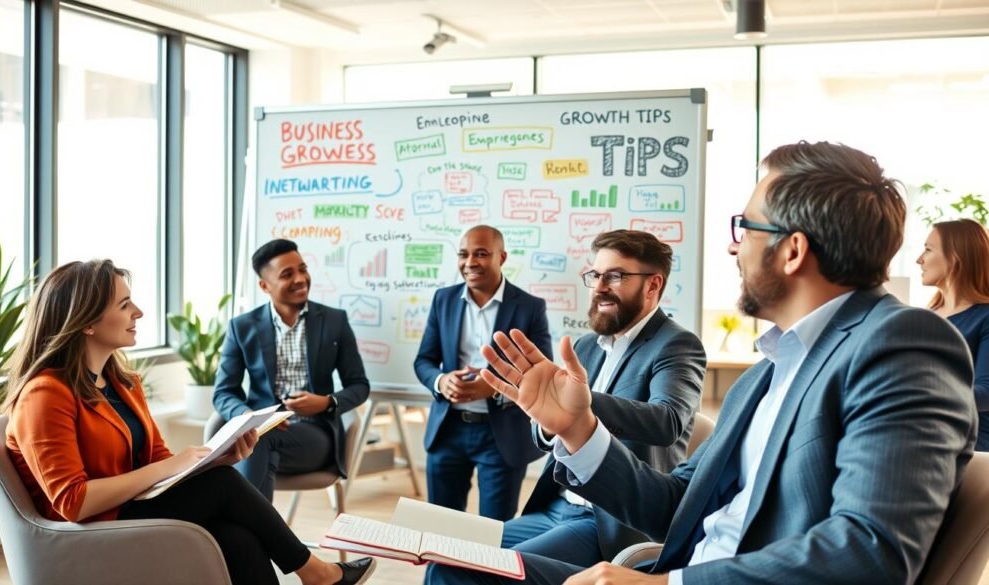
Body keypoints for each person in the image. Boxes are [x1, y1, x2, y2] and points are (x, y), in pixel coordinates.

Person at [428, 141, 977, 585]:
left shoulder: (902, 342)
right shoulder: (765, 376)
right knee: (457, 570)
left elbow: (869, 549)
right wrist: (579, 428)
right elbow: (674, 507)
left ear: (792, 250)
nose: (734, 250)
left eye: (746, 228)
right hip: (667, 563)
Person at [4, 259, 374, 585]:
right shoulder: (45, 394)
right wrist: (174, 466)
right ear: (86, 322)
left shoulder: (123, 383)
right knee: (225, 486)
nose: (139, 312)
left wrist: (212, 460)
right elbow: (73, 502)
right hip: (90, 527)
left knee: (237, 537)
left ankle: (318, 576)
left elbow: (157, 461)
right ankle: (317, 573)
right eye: (124, 304)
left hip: (132, 506)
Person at [501, 229, 705, 567]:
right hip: (556, 506)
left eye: (615, 276)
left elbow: (667, 421)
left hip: (606, 520)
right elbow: (548, 433)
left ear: (652, 285)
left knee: (494, 570)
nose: (599, 287)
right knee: (453, 556)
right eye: (595, 275)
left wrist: (581, 405)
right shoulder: (584, 346)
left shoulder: (677, 344)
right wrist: (550, 422)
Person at [414, 224, 553, 521]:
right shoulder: (443, 300)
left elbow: (541, 372)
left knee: (493, 531)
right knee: (439, 526)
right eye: (463, 254)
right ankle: (438, 571)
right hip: (447, 429)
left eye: (481, 254)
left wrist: (493, 386)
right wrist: (442, 381)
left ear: (501, 257)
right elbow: (423, 361)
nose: (470, 262)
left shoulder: (529, 307)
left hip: (500, 434)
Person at [214, 239, 370, 501]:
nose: (300, 279)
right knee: (262, 445)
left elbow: (359, 385)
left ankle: (248, 534)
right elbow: (224, 393)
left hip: (315, 435)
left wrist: (326, 403)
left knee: (257, 445)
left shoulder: (334, 321)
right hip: (261, 435)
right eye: (287, 274)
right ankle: (266, 538)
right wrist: (249, 416)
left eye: (303, 269)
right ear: (265, 286)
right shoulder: (241, 327)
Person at [917, 218, 989, 450]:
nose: (919, 259)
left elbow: (986, 392)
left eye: (928, 250)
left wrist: (915, 398)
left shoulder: (985, 317)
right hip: (923, 435)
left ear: (955, 258)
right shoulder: (923, 316)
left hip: (970, 447)